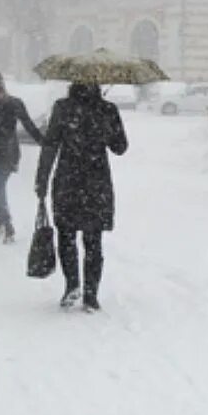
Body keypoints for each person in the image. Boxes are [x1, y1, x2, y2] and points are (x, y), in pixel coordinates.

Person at [35, 83, 128, 312]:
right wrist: (104, 128)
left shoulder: (67, 108)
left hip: (71, 181)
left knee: (72, 238)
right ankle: (87, 293)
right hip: (92, 183)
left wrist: (42, 180)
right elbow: (120, 146)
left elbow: (51, 145)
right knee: (90, 240)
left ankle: (76, 288)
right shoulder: (103, 110)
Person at [0, 70, 44, 243]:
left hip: (6, 153)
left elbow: (28, 124)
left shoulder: (13, 104)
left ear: (0, 85)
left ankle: (7, 226)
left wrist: (43, 142)